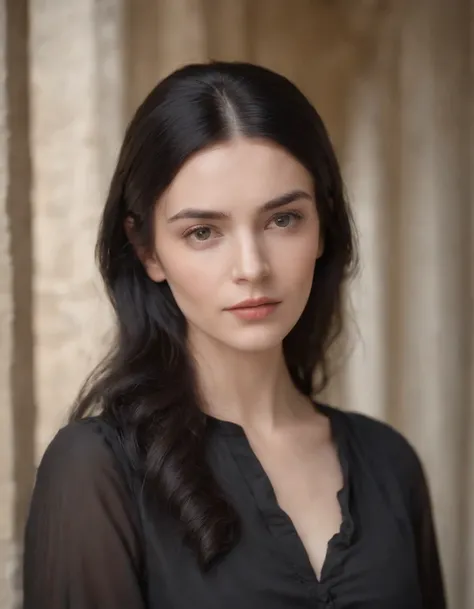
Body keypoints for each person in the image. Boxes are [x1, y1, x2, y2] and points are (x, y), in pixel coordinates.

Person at [22, 61, 446, 609]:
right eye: (203, 231)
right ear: (147, 248)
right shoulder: (96, 472)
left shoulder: (390, 463)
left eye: (282, 219)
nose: (252, 267)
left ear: (323, 223)